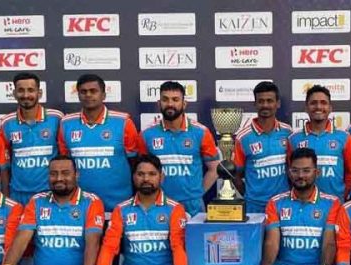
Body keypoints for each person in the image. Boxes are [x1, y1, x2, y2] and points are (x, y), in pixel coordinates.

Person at [137, 81, 221, 216]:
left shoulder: (201, 132)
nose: (170, 104)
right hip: (159, 205)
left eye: (175, 99)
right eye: (165, 99)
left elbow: (215, 168)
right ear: (159, 103)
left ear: (184, 103)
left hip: (192, 206)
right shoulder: (146, 134)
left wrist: (197, 193)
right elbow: (140, 172)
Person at [58, 73, 138, 211]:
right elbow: (64, 162)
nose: (88, 95)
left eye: (93, 91)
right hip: (80, 207)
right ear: (78, 95)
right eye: (83, 92)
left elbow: (135, 163)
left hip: (119, 206)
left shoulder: (123, 122)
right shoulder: (66, 123)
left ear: (103, 95)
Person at [0, 72, 64, 206]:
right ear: (14, 93)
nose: (26, 95)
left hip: (50, 194)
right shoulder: (7, 123)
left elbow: (65, 156)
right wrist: (6, 197)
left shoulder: (56, 118)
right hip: (18, 195)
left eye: (31, 90)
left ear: (39, 93)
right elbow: (4, 164)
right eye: (21, 90)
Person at [287, 85, 351, 202]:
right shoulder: (294, 139)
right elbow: (291, 173)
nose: (318, 107)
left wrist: (342, 195)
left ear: (330, 108)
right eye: (313, 103)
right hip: (304, 204)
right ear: (306, 108)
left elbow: (350, 173)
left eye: (323, 103)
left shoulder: (345, 138)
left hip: (336, 204)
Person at [233, 81, 292, 213]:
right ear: (255, 104)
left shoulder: (288, 132)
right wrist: (250, 196)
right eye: (261, 101)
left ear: (278, 103)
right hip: (255, 206)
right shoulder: (243, 137)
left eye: (269, 101)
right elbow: (235, 175)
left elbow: (293, 168)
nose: (265, 105)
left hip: (283, 204)